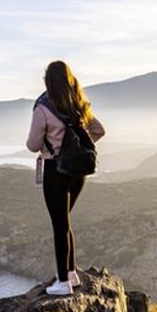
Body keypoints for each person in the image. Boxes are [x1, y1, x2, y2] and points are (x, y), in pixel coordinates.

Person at [26, 60, 105, 296]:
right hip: (79, 172)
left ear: (48, 81)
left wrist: (57, 146)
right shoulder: (78, 103)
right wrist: (76, 149)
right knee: (65, 222)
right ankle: (71, 273)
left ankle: (63, 282)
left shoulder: (43, 108)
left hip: (55, 170)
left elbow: (32, 145)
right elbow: (99, 130)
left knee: (60, 225)